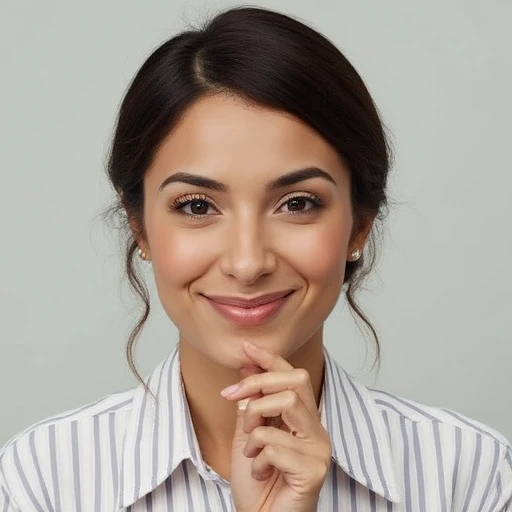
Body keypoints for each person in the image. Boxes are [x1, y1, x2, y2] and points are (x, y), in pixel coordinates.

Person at [0, 5, 510, 511]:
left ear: (360, 223)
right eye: (197, 206)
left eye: (298, 203)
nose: (247, 263)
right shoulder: (43, 479)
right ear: (140, 227)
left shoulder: (467, 475)